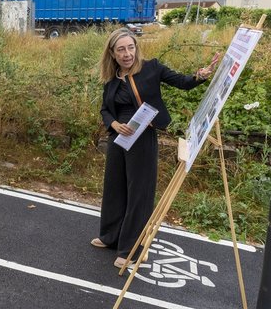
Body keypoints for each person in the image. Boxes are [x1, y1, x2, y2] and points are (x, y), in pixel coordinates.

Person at [92, 28, 218, 268]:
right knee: (115, 188)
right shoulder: (111, 78)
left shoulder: (152, 68)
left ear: (136, 48)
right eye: (121, 49)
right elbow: (105, 110)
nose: (127, 53)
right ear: (112, 53)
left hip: (143, 137)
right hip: (119, 138)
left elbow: (182, 82)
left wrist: (200, 75)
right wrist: (115, 124)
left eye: (131, 47)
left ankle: (131, 248)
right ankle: (110, 237)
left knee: (139, 193)